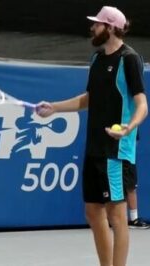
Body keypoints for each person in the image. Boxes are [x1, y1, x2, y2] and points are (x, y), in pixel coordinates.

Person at [36, 6, 148, 266]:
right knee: (93, 211)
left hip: (116, 150)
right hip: (94, 147)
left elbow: (142, 103)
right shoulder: (97, 59)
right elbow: (89, 99)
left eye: (97, 24)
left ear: (110, 28)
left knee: (117, 216)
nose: (92, 28)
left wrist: (129, 128)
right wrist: (54, 108)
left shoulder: (129, 59)